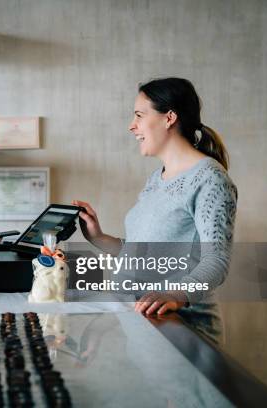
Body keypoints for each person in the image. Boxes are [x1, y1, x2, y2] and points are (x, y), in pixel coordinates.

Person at [74, 77, 237, 343]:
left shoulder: (210, 179)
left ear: (169, 118)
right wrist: (99, 238)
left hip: (181, 329)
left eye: (139, 115)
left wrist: (176, 294)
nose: (131, 125)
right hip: (144, 324)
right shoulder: (157, 178)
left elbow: (216, 260)